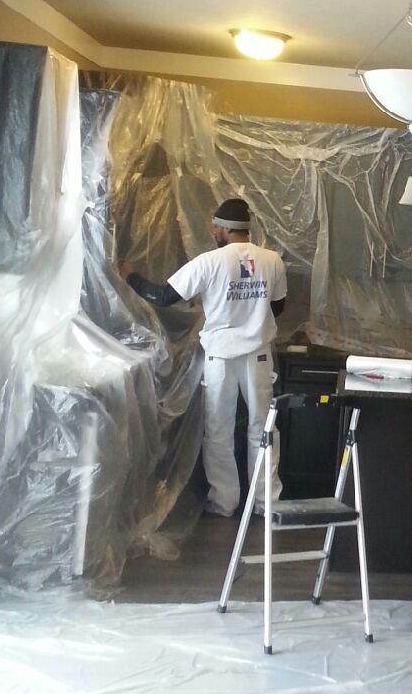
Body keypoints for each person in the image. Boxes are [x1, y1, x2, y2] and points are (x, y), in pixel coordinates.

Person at [122, 198, 288, 517]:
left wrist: (129, 275)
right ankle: (267, 504)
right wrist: (249, 309)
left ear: (226, 229)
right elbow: (277, 308)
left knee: (219, 429)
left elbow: (163, 296)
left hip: (221, 358)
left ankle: (225, 501)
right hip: (258, 356)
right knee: (262, 429)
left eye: (215, 227)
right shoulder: (272, 261)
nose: (213, 231)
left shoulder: (209, 263)